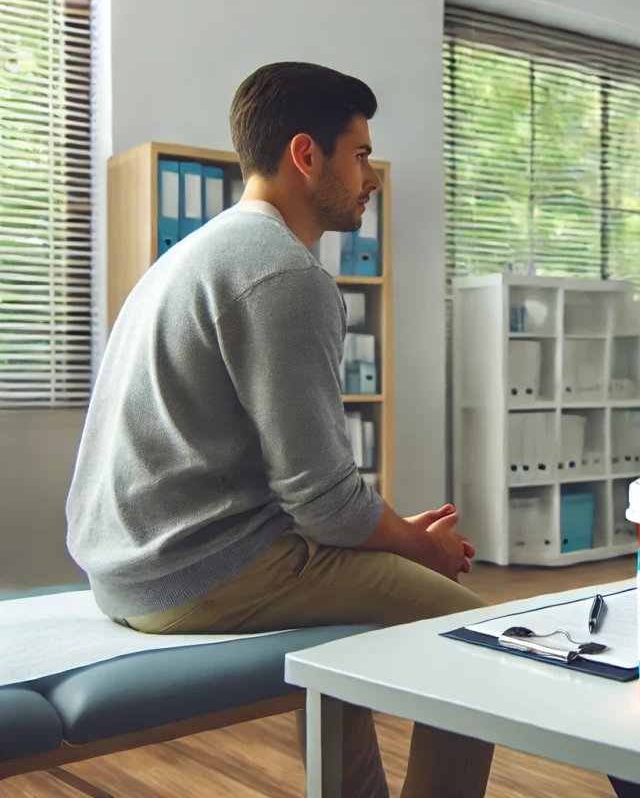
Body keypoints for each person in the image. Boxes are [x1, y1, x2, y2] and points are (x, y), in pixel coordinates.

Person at [66, 62, 494, 798]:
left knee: (363, 597)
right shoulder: (284, 274)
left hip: (124, 566)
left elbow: (312, 502)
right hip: (199, 573)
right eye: (359, 156)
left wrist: (390, 535)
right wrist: (416, 545)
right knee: (486, 646)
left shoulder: (194, 255)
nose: (372, 178)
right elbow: (325, 503)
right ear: (306, 155)